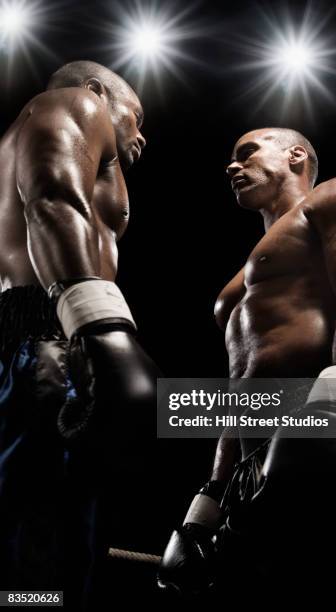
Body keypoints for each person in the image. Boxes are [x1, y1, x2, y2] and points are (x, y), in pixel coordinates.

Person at [159, 128, 336, 607]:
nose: (232, 166)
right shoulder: (242, 281)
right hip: (259, 463)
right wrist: (206, 505)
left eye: (247, 153)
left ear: (296, 155)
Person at [0, 60, 159, 610]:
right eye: (135, 117)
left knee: (59, 543)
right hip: (48, 338)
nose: (142, 135)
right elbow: (53, 198)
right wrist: (98, 323)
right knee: (40, 540)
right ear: (96, 91)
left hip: (41, 337)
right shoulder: (76, 103)